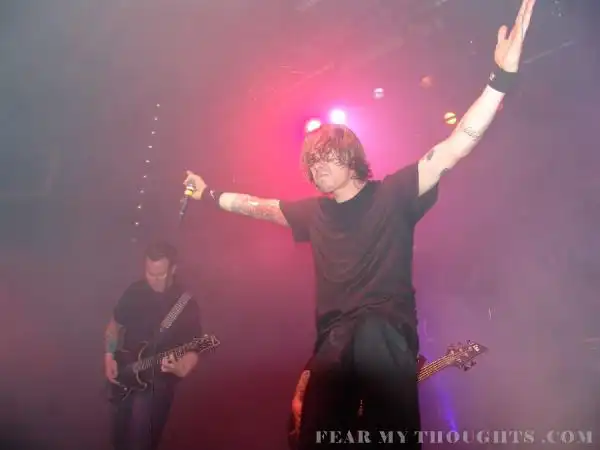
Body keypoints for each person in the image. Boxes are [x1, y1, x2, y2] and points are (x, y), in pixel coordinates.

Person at [184, 1, 535, 447]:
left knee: (377, 371)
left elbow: (456, 146)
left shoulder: (394, 193)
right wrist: (209, 194)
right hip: (333, 344)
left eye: (326, 156)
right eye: (311, 161)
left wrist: (499, 79)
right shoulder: (313, 213)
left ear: (351, 158)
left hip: (385, 331)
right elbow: (258, 206)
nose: (317, 166)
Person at [104, 241, 202, 450]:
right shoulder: (135, 291)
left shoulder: (184, 303)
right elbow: (114, 325)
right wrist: (109, 355)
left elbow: (194, 347)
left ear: (173, 269)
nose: (153, 279)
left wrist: (182, 367)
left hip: (157, 384)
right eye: (149, 273)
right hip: (125, 374)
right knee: (118, 441)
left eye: (160, 274)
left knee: (141, 443)